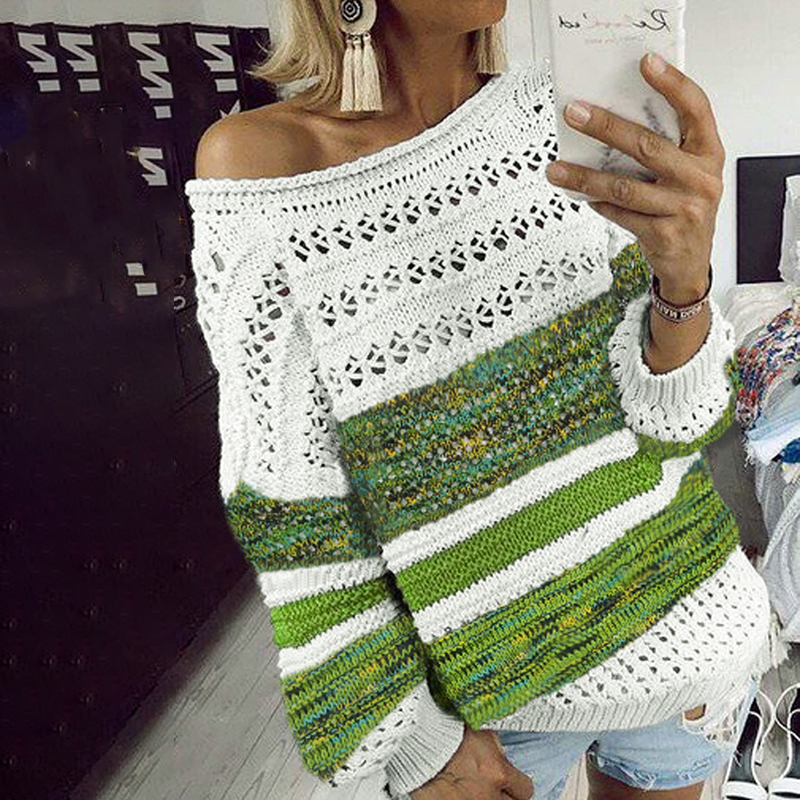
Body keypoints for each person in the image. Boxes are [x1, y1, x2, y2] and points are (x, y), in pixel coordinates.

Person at [185, 1, 776, 799]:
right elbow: (289, 491)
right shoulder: (260, 165)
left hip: (686, 629)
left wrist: (685, 279)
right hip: (490, 710)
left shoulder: (566, 117)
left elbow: (678, 423)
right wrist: (418, 747)